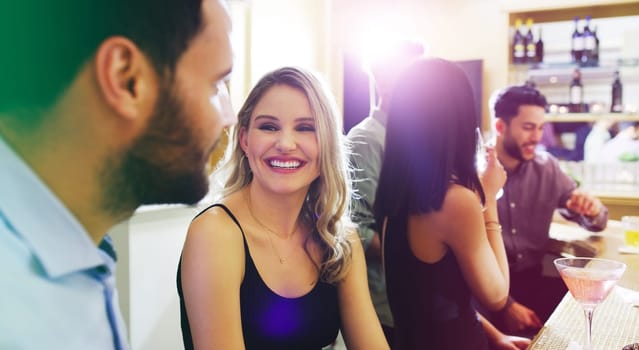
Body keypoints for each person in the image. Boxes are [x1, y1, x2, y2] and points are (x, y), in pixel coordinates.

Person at [0, 1, 235, 349]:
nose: (227, 120)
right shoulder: (17, 310)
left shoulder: (83, 252)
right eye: (216, 85)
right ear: (127, 79)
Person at [177, 67, 389, 350]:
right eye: (268, 127)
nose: (285, 144)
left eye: (305, 128)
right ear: (245, 140)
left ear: (326, 144)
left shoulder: (340, 238)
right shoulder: (216, 234)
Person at [375, 58, 529, 349]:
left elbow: (434, 300)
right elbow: (496, 295)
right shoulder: (455, 201)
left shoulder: (395, 194)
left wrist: (495, 337)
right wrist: (490, 198)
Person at [490, 85, 608, 335]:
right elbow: (459, 265)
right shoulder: (474, 173)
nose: (537, 137)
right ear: (500, 127)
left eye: (541, 128)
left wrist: (591, 209)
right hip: (485, 289)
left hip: (532, 281)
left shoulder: (547, 168)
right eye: (528, 127)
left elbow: (596, 221)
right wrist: (505, 306)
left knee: (598, 312)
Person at [346, 39, 424, 344]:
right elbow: (359, 230)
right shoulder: (365, 139)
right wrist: (427, 252)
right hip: (387, 307)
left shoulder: (415, 137)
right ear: (384, 82)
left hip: (419, 301)